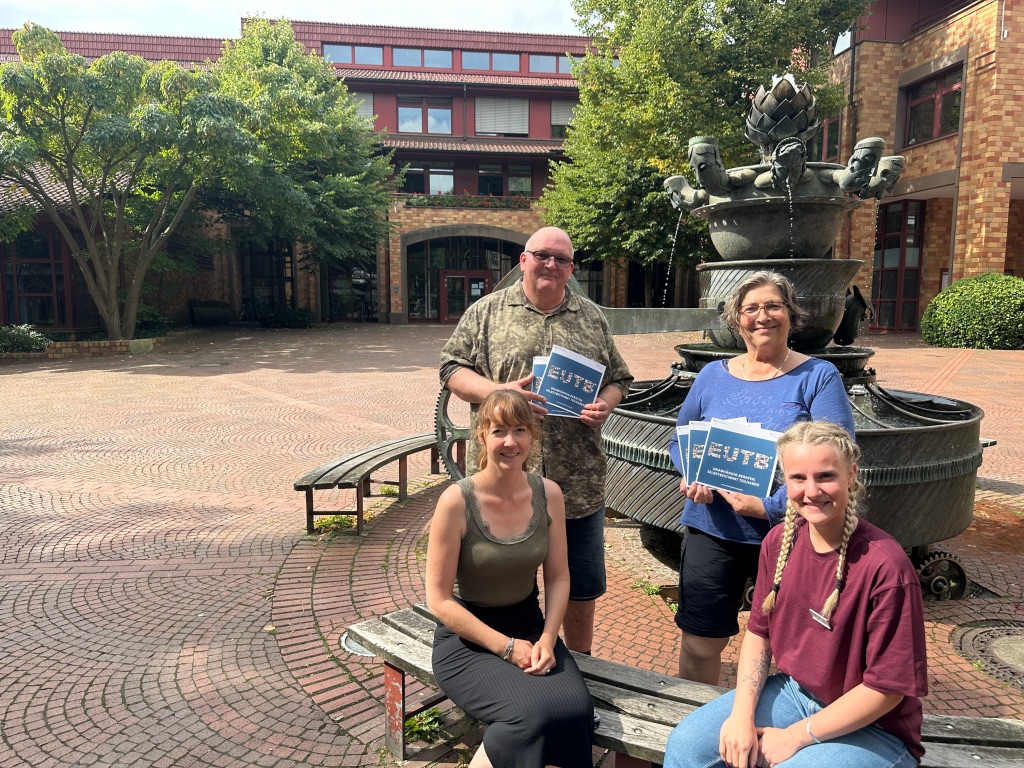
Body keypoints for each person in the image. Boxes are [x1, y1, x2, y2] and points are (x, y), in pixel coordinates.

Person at [664, 420, 927, 768]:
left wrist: (797, 735)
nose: (812, 491)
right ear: (783, 482)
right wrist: (741, 716)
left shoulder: (886, 567)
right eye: (798, 478)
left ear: (852, 475)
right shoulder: (778, 543)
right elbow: (759, 635)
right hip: (794, 692)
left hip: (875, 728)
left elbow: (887, 688)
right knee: (687, 746)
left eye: (826, 476)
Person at [440, 226, 633, 654]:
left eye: (560, 259)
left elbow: (620, 378)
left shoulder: (592, 317)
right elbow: (452, 369)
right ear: (523, 260)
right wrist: (498, 392)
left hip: (576, 479)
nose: (550, 264)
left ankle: (583, 670)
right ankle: (504, 662)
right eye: (541, 255)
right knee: (497, 582)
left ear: (571, 269)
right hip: (502, 483)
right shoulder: (486, 312)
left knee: (580, 587)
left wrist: (606, 402)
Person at [667, 270, 855, 684]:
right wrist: (692, 475)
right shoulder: (712, 375)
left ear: (791, 314)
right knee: (700, 643)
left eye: (773, 305)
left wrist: (768, 507)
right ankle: (695, 729)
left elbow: (835, 456)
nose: (762, 316)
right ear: (736, 320)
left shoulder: (818, 377)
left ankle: (783, 732)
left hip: (792, 533)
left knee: (795, 648)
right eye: (750, 308)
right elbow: (681, 439)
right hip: (712, 527)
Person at [425, 390, 594, 768]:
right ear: (481, 435)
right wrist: (505, 647)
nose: (510, 441)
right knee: (529, 717)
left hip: (530, 627)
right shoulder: (456, 501)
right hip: (467, 638)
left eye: (520, 430)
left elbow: (558, 576)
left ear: (533, 436)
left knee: (575, 711)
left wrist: (549, 638)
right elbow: (438, 600)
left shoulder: (548, 494)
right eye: (499, 430)